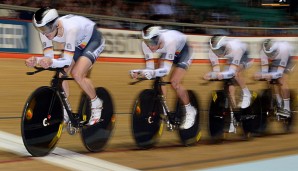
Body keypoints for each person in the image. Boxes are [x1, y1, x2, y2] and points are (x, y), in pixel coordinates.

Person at [25, 7, 105, 126]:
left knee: (77, 74)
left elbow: (66, 60)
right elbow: (49, 57)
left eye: (46, 29)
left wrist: (49, 61)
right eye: (41, 29)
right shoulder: (45, 33)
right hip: (78, 44)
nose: (44, 33)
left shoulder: (70, 28)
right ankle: (65, 109)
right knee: (60, 75)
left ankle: (96, 103)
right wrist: (36, 60)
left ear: (55, 24)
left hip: (94, 40)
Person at [130, 25, 197, 129]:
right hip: (169, 52)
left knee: (175, 82)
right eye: (147, 42)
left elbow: (166, 71)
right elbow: (150, 69)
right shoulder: (145, 44)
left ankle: (190, 110)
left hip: (184, 51)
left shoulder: (169, 41)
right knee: (157, 71)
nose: (150, 46)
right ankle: (164, 106)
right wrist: (140, 72)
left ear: (159, 38)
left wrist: (152, 73)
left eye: (152, 43)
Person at [203, 35, 253, 109]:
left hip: (244, 56)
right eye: (216, 51)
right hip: (231, 56)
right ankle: (234, 109)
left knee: (236, 73)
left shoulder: (237, 49)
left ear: (225, 47)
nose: (217, 54)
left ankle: (246, 93)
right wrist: (212, 74)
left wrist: (220, 74)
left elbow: (232, 72)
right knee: (229, 83)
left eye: (219, 51)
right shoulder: (212, 50)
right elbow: (216, 71)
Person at [254, 39, 295, 117]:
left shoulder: (284, 49)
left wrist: (270, 75)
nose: (271, 56)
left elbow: (279, 73)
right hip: (277, 60)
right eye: (269, 54)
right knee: (271, 79)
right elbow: (265, 70)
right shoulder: (263, 51)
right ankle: (279, 101)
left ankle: (287, 108)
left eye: (273, 53)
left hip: (287, 58)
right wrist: (260, 74)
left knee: (281, 79)